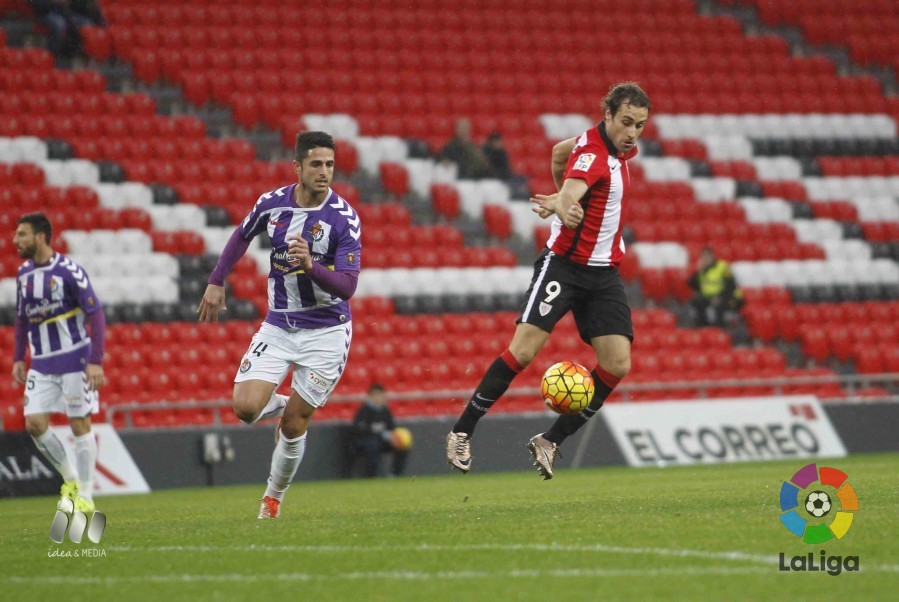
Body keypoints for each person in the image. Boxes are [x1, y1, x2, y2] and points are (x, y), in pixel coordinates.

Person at [445, 82, 651, 480]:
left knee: (617, 364)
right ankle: (461, 431)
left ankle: (550, 440)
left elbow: (559, 153)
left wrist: (560, 199)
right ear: (607, 114)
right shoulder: (593, 155)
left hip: (603, 274)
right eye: (626, 122)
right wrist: (564, 202)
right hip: (565, 267)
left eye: (639, 125)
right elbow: (575, 181)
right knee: (522, 352)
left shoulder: (607, 145)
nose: (632, 133)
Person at [197, 131, 361, 519]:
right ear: (297, 167)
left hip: (327, 331)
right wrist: (217, 279)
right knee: (245, 408)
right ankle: (289, 403)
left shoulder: (344, 219)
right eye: (316, 164)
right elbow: (241, 235)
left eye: (330, 164)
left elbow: (348, 286)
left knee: (293, 425)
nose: (324, 172)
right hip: (280, 325)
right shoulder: (271, 204)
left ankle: (272, 499)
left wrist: (311, 266)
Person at [11, 212, 105, 512]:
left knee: (80, 424)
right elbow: (22, 319)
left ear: (40, 237)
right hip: (41, 362)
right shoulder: (23, 274)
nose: (15, 240)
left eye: (22, 234)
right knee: (34, 424)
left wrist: (95, 360)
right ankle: (71, 478)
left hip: (75, 358)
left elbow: (96, 313)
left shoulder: (69, 271)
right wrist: (18, 357)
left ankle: (86, 494)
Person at [351, 383, 408, 478]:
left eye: (380, 395)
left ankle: (395, 474)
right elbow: (359, 428)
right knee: (372, 445)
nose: (378, 398)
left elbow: (391, 427)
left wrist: (393, 436)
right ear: (370, 396)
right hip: (366, 440)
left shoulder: (385, 410)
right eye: (376, 395)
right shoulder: (364, 410)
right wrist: (380, 434)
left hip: (382, 440)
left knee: (401, 444)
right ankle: (371, 475)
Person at [687, 246, 744, 327]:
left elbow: (731, 285)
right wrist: (698, 271)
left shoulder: (722, 266)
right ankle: (704, 328)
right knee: (697, 302)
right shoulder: (702, 270)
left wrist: (719, 297)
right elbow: (691, 284)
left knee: (718, 307)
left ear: (712, 256)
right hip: (710, 297)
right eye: (703, 256)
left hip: (728, 296)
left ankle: (720, 330)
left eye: (708, 256)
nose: (706, 258)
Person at [29, 0, 106, 59]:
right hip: (44, 14)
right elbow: (36, 4)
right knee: (60, 24)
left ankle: (79, 54)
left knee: (87, 24)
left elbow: (74, 5)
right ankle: (52, 54)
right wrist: (54, 2)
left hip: (64, 13)